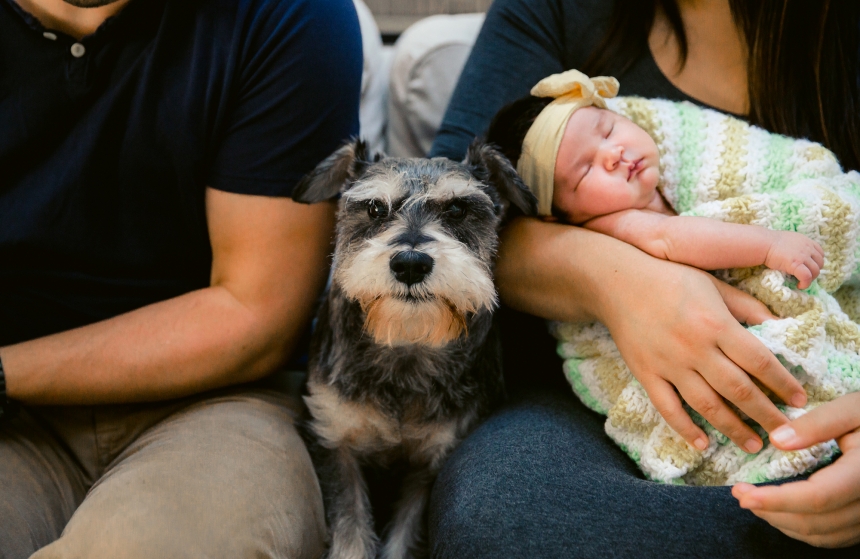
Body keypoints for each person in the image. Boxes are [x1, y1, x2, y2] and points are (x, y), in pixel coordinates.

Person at [426, 0, 860, 556]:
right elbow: (445, 219)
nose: (612, 155)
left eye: (610, 130)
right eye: (584, 168)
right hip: (588, 411)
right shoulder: (560, 10)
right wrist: (622, 282)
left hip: (830, 362)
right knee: (506, 517)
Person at [0, 0, 361, 557]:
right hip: (13, 424)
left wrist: (2, 372)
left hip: (219, 402)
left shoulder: (289, 14)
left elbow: (255, 312)